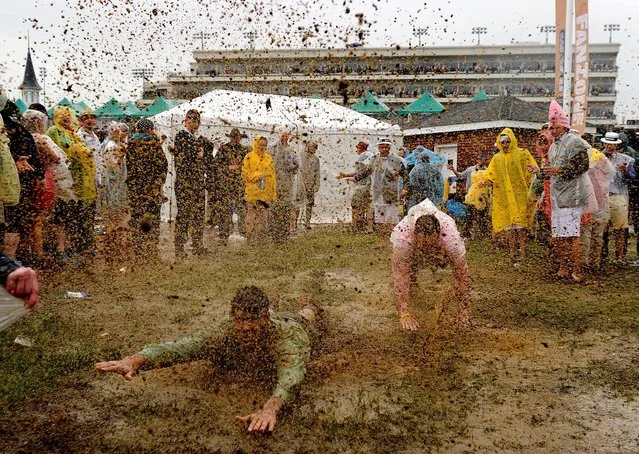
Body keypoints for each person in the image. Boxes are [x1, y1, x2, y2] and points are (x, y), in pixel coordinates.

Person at [94, 286, 320, 433]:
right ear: (232, 317)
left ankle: (308, 305)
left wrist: (270, 408)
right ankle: (275, 301)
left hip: (296, 325)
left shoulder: (287, 339)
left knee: (304, 316)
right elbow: (181, 348)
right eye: (240, 320)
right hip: (269, 316)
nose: (246, 327)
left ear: (264, 319)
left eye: (253, 321)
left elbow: (291, 377)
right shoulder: (223, 332)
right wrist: (136, 360)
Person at [390, 198, 471, 330]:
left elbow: (462, 274)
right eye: (423, 244)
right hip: (411, 244)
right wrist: (404, 314)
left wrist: (463, 311)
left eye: (430, 244)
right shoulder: (403, 237)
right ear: (415, 235)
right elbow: (400, 275)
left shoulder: (451, 239)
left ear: (438, 236)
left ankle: (462, 311)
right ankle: (412, 296)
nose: (426, 249)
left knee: (458, 268)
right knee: (408, 272)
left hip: (441, 244)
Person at [543, 101, 590, 281]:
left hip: (572, 195)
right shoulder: (553, 146)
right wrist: (539, 172)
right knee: (560, 236)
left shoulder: (575, 141)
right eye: (550, 128)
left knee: (572, 235)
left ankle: (577, 270)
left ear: (563, 125)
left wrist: (559, 170)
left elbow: (582, 165)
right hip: (557, 196)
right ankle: (563, 267)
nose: (551, 130)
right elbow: (552, 171)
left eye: (554, 127)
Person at [46, 106, 97, 257]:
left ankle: (72, 246)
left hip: (79, 180)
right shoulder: (53, 131)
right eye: (63, 115)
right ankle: (60, 249)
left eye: (69, 115)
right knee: (61, 215)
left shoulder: (74, 133)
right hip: (62, 178)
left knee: (73, 215)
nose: (67, 118)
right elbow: (51, 152)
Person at [483, 128, 538, 265]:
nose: (506, 144)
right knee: (510, 228)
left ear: (512, 140)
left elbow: (532, 170)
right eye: (503, 142)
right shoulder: (497, 158)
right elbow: (491, 175)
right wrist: (486, 181)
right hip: (504, 198)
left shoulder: (522, 153)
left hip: (520, 197)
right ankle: (512, 253)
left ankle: (523, 254)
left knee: (521, 228)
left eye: (508, 141)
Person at [1, 100, 45, 262]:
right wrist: (39, 175)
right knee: (15, 220)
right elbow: (33, 156)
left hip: (15, 181)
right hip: (15, 183)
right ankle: (11, 262)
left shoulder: (13, 129)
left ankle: (12, 260)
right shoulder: (16, 130)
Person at [126, 118, 168, 259]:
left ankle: (138, 249)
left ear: (137, 129)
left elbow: (129, 168)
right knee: (152, 218)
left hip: (136, 190)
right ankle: (151, 250)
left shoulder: (130, 144)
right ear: (151, 130)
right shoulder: (154, 144)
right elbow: (163, 166)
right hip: (152, 190)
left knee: (137, 217)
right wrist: (159, 184)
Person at [172, 110, 210, 260]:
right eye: (191, 120)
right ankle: (179, 247)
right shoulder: (181, 135)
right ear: (185, 121)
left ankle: (197, 244)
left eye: (196, 120)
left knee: (199, 214)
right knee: (184, 215)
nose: (194, 122)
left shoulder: (197, 138)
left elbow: (206, 156)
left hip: (197, 181)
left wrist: (204, 150)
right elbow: (188, 156)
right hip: (185, 182)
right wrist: (198, 152)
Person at [350, 138, 404, 235]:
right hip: (377, 192)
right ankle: (381, 237)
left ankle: (392, 236)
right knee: (380, 218)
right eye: (382, 147)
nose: (384, 149)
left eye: (386, 147)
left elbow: (405, 175)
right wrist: (355, 178)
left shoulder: (396, 160)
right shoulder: (374, 159)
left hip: (391, 192)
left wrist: (405, 188)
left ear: (389, 148)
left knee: (391, 218)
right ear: (378, 148)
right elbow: (366, 172)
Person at [599, 132, 636, 265]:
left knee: (620, 228)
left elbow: (634, 177)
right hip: (601, 196)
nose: (610, 146)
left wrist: (626, 172)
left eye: (613, 144)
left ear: (617, 145)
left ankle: (619, 257)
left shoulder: (626, 159)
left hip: (618, 195)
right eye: (608, 144)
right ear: (604, 143)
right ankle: (601, 257)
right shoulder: (597, 157)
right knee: (601, 229)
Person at [207, 127, 249, 242]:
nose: (236, 140)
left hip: (240, 185)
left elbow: (248, 166)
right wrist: (227, 168)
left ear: (240, 138)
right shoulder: (224, 149)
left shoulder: (244, 150)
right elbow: (215, 166)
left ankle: (243, 232)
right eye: (234, 137)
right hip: (225, 185)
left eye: (238, 138)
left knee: (242, 209)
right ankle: (224, 234)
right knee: (225, 210)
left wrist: (240, 168)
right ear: (230, 138)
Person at [580, 146, 614, 272]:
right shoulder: (600, 161)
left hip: (594, 205)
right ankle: (591, 263)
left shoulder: (591, 161)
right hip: (594, 205)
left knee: (589, 235)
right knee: (592, 235)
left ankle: (589, 263)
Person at [102, 122, 130, 256]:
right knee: (115, 214)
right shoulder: (111, 146)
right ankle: (114, 245)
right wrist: (120, 157)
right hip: (114, 185)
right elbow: (113, 167)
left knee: (117, 213)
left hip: (118, 184)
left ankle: (115, 243)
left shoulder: (116, 145)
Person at [242, 136, 276, 244]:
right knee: (251, 215)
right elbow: (245, 173)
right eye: (261, 145)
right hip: (252, 193)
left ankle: (259, 238)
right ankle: (250, 237)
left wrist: (273, 194)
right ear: (256, 144)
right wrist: (258, 175)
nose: (262, 147)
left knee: (262, 216)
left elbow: (272, 177)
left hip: (264, 193)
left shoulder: (269, 158)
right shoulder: (249, 157)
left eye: (264, 145)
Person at [337, 141, 373, 233]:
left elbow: (362, 173)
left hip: (362, 186)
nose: (356, 150)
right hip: (370, 185)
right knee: (367, 206)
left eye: (357, 148)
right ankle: (369, 227)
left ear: (360, 148)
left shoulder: (362, 157)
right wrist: (346, 175)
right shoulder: (370, 155)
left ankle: (354, 226)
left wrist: (352, 178)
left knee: (355, 206)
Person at [270, 131, 299, 240]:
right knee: (275, 206)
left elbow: (297, 164)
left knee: (286, 207)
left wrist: (293, 166)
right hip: (275, 183)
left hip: (287, 183)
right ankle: (273, 231)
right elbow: (267, 162)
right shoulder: (272, 147)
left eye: (286, 136)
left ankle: (284, 231)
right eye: (283, 135)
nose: (284, 137)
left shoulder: (291, 150)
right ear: (279, 135)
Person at [76, 108, 103, 212]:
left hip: (94, 175)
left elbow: (98, 157)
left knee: (92, 207)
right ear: (81, 121)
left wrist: (99, 177)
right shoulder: (79, 136)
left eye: (92, 117)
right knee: (84, 207)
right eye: (86, 118)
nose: (89, 120)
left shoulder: (94, 136)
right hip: (84, 176)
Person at [298, 140, 321, 230]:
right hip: (301, 183)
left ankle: (307, 222)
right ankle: (295, 222)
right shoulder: (301, 155)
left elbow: (317, 173)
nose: (311, 148)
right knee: (298, 203)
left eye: (313, 147)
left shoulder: (316, 159)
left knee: (310, 204)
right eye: (310, 146)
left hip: (310, 185)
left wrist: (317, 184)